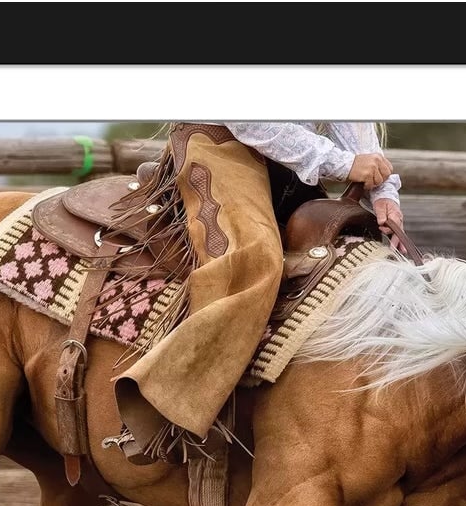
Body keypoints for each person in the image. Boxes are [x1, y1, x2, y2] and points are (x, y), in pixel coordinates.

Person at [118, 121, 405, 442]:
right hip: (222, 144)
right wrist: (342, 162)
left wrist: (383, 191)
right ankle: (163, 404)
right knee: (254, 263)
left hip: (293, 163)